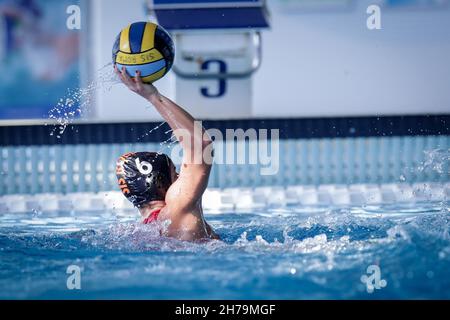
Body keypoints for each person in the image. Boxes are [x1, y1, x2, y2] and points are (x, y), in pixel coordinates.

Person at [114, 66, 219, 241]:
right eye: (174, 172)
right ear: (159, 182)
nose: (180, 175)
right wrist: (153, 97)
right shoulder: (178, 206)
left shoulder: (137, 232)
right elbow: (201, 144)